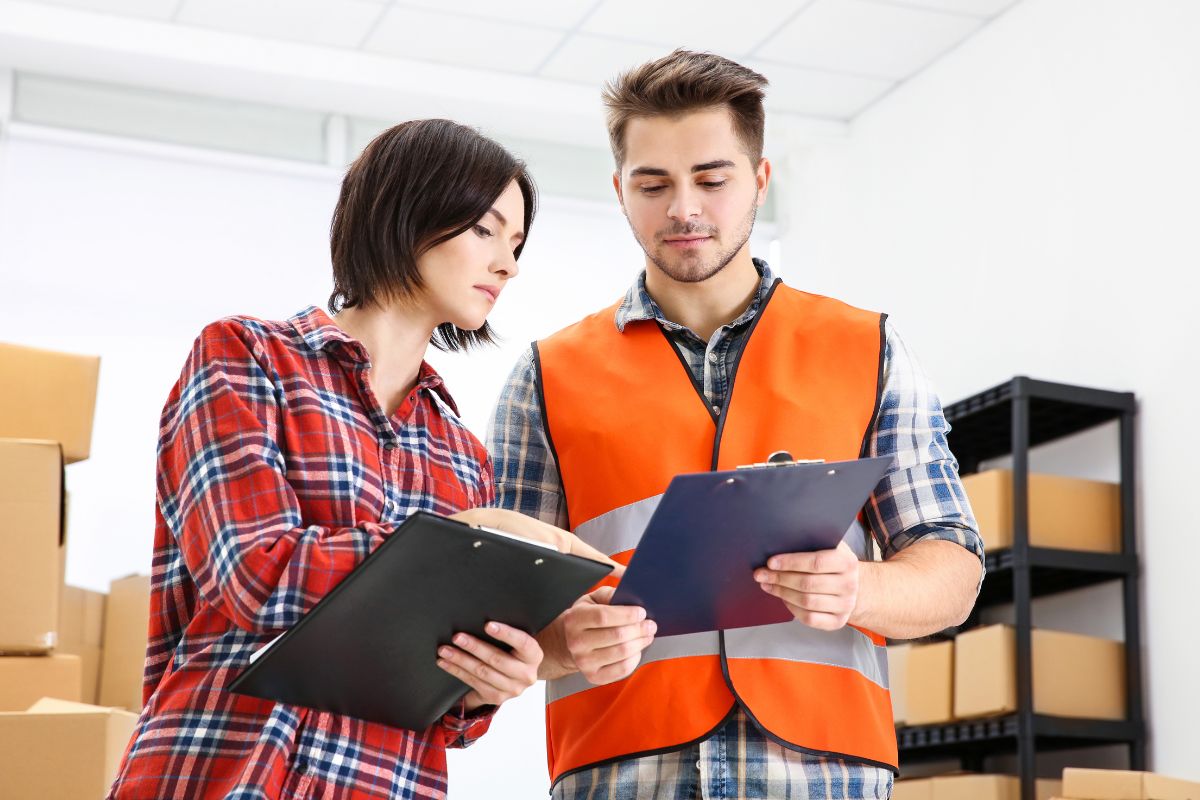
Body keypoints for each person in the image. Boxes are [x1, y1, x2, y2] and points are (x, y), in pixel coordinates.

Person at [487, 50, 985, 799]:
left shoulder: (867, 348)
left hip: (823, 775)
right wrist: (562, 642)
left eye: (712, 180)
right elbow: (502, 610)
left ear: (759, 180)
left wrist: (859, 591)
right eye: (653, 184)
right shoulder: (546, 376)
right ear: (620, 192)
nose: (684, 208)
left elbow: (951, 569)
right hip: (622, 773)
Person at [107, 118, 606, 799]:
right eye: (486, 230)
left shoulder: (463, 455)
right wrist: (464, 540)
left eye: (517, 244)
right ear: (408, 212)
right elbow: (256, 576)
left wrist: (502, 675)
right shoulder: (247, 360)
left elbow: (443, 714)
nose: (508, 264)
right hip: (220, 770)